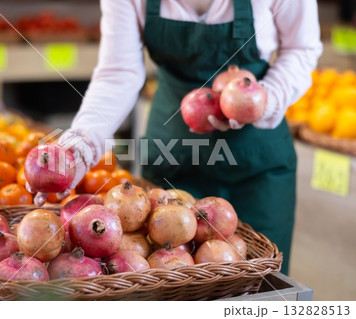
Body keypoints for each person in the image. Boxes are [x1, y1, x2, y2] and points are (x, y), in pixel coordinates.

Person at [30, 0, 322, 275]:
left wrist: (263, 101)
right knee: (170, 282)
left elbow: (302, 47)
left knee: (264, 283)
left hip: (257, 155)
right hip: (171, 149)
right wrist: (83, 143)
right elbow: (119, 72)